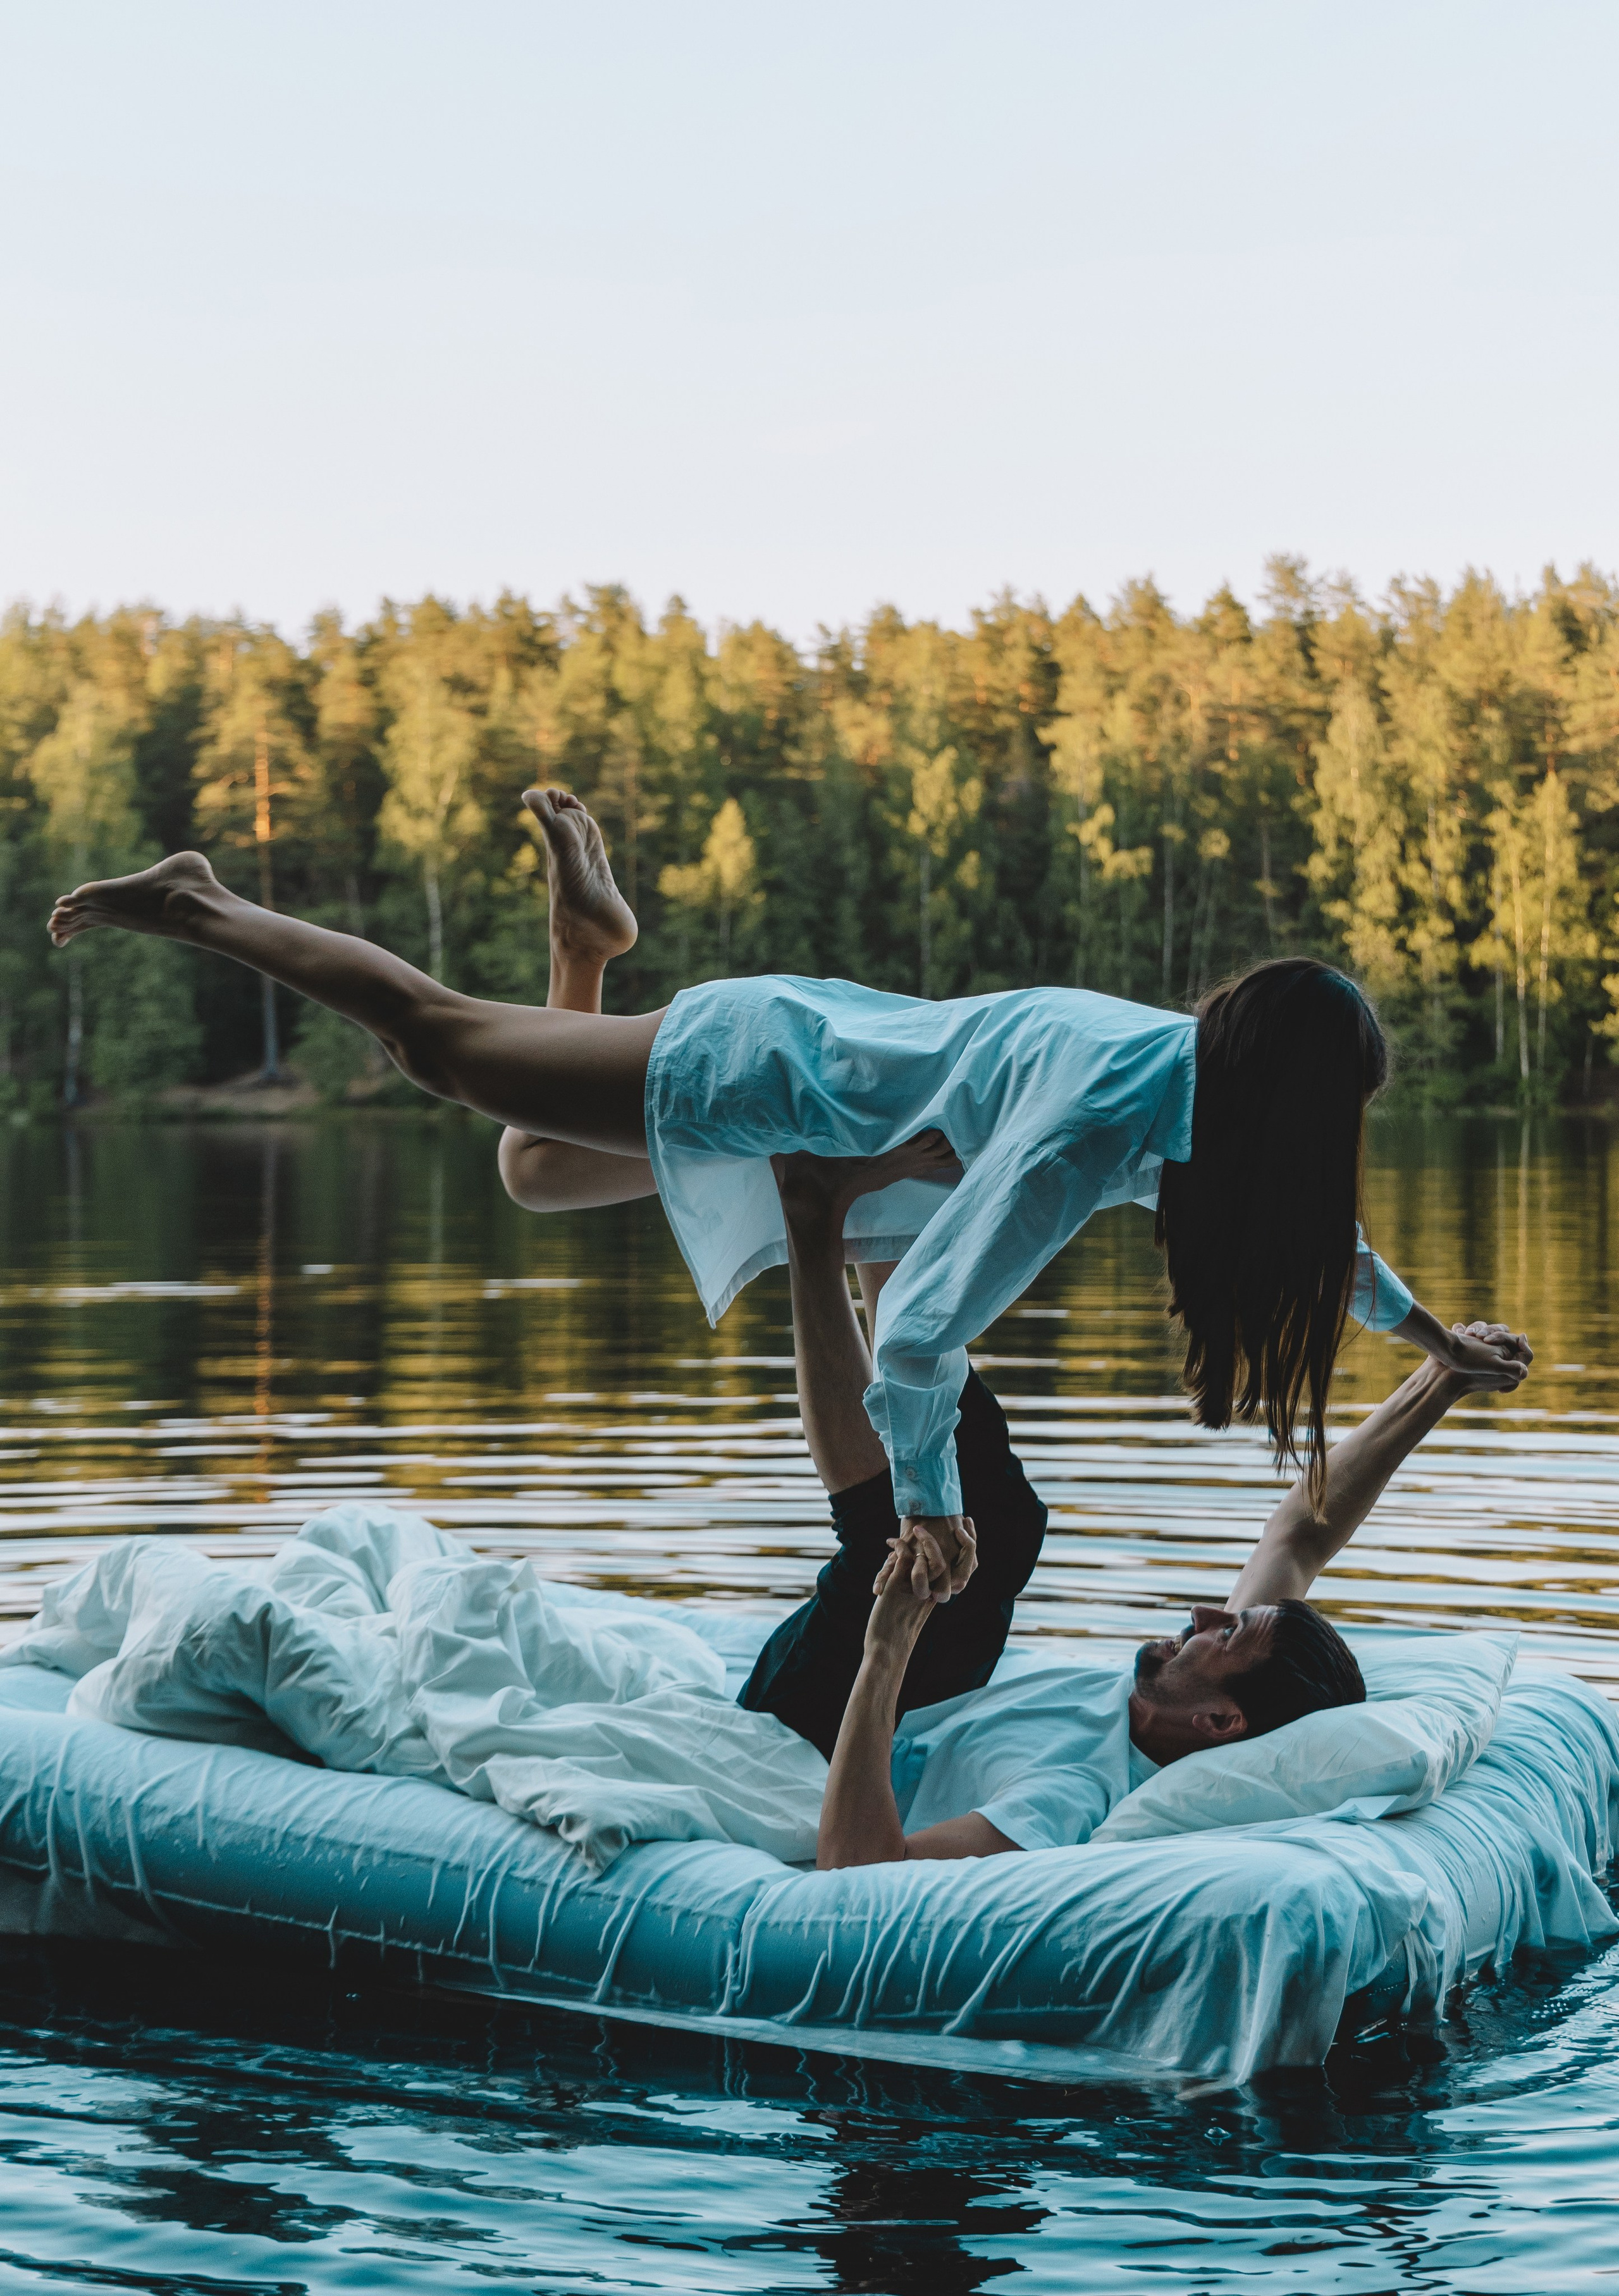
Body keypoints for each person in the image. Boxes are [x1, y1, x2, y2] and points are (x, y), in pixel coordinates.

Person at [48, 789, 1529, 1608]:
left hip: (832, 1104)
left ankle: (586, 936)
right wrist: (932, 1515)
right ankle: (203, 901)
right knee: (437, 1044)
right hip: (769, 1069)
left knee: (533, 1168)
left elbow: (1309, 1238)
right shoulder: (1098, 1119)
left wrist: (1421, 1334)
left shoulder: (1185, 1083)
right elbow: (921, 1342)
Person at [811, 1312, 1533, 1869]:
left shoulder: (1074, 1794)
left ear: (1220, 1723)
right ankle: (894, 1241)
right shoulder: (1191, 1695)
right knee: (985, 1519)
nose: (1202, 1613)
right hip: (921, 1685)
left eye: (1225, 1633)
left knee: (959, 1535)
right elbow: (1302, 1533)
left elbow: (859, 1869)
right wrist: (1441, 1376)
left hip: (822, 1721)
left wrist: (885, 1648)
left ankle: (819, 1224)